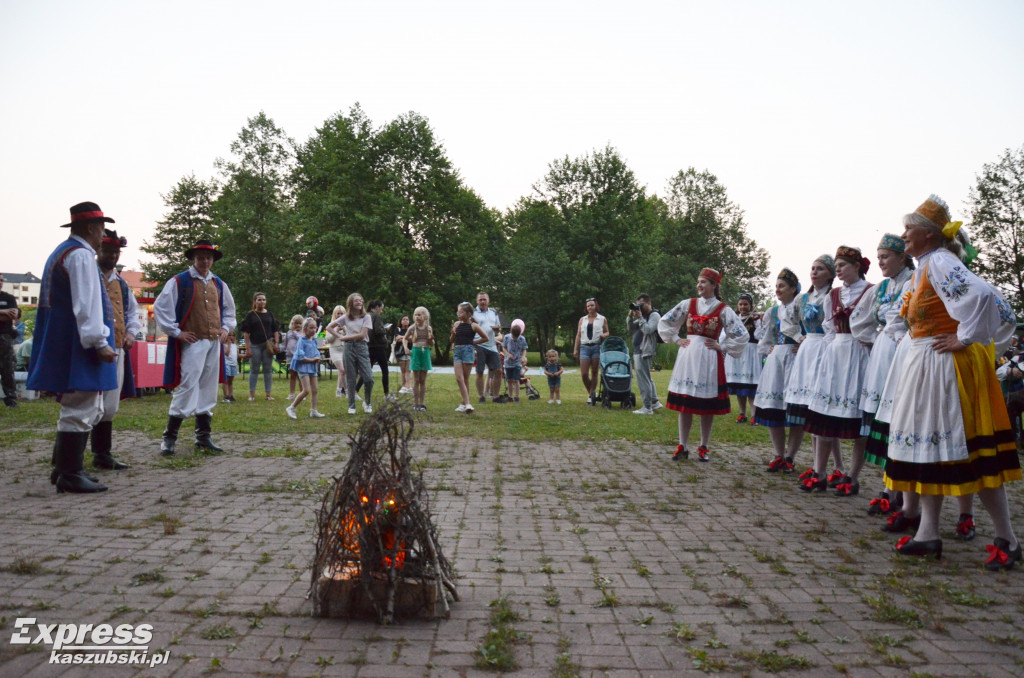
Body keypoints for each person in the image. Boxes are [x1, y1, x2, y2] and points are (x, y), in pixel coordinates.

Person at [882, 195, 1021, 569]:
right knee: (931, 450)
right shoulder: (926, 266)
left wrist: (967, 337)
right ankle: (928, 532)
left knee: (969, 452)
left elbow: (988, 299)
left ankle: (1006, 537)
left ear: (927, 235)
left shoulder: (942, 261)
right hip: (927, 364)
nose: (903, 235)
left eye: (908, 229)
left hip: (945, 367)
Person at [27, 201, 118, 493]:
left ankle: (63, 468)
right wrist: (99, 342)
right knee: (81, 403)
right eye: (102, 229)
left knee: (78, 403)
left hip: (67, 337)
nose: (103, 235)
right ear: (91, 228)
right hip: (79, 342)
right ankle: (70, 473)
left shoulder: (63, 252)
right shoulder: (80, 256)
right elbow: (86, 304)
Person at [801, 246, 874, 494]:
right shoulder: (832, 295)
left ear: (857, 266)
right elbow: (829, 330)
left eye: (842, 265)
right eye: (837, 265)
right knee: (824, 414)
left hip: (859, 355)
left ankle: (852, 477)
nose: (839, 269)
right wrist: (824, 359)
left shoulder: (871, 291)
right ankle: (820, 472)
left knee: (857, 420)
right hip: (835, 355)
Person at [155, 239, 237, 456]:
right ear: (193, 258)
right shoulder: (180, 281)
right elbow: (161, 308)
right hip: (193, 342)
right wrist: (177, 332)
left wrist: (226, 329)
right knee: (187, 384)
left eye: (208, 258)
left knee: (208, 387)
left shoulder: (219, 283)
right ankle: (169, 437)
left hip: (213, 342)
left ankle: (203, 437)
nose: (205, 261)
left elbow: (229, 311)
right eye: (201, 257)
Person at [658, 268, 749, 462]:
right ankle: (682, 445)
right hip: (688, 356)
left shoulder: (723, 309)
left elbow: (742, 334)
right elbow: (666, 321)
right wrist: (675, 338)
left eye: (704, 282)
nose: (699, 285)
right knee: (685, 404)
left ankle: (704, 446)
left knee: (706, 406)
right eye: (698, 281)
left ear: (714, 286)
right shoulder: (688, 304)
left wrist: (722, 345)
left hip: (709, 359)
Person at [855, 235, 914, 513]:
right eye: (878, 257)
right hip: (884, 352)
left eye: (886, 256)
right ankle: (889, 488)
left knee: (901, 420)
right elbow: (859, 319)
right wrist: (873, 338)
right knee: (886, 420)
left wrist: (906, 334)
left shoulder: (915, 280)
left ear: (902, 256)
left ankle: (902, 491)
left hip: (907, 351)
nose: (880, 262)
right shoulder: (880, 288)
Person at [777, 255, 837, 473]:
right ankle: (814, 463)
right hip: (808, 347)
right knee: (807, 409)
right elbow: (786, 320)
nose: (814, 272)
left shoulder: (833, 296)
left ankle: (827, 465)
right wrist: (799, 336)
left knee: (820, 406)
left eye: (820, 269)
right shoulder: (803, 299)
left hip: (826, 347)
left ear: (830, 274)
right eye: (812, 268)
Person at [92, 229, 140, 472]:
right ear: (98, 250)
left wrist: (131, 333)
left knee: (110, 403)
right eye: (107, 250)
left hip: (117, 348)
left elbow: (133, 313)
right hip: (90, 349)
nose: (111, 255)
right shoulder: (89, 276)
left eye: (115, 252)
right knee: (86, 402)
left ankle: (102, 453)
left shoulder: (121, 283)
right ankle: (66, 456)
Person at [753, 269, 803, 469]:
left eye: (782, 286)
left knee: (795, 410)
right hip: (776, 362)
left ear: (793, 288)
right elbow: (765, 339)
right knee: (774, 408)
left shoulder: (801, 307)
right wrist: (769, 350)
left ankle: (790, 457)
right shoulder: (773, 312)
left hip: (796, 359)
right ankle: (779, 454)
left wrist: (803, 345)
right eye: (776, 286)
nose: (777, 290)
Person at [326, 293, 374, 415]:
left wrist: (345, 337)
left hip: (361, 347)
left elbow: (362, 335)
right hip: (348, 348)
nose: (359, 302)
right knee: (351, 378)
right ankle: (351, 405)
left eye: (361, 300)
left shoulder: (366, 317)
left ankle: (367, 402)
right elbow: (329, 327)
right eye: (356, 300)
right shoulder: (346, 317)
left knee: (368, 378)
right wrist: (340, 336)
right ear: (351, 303)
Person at [723, 293, 761, 422]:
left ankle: (754, 415)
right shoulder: (734, 318)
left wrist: (757, 322)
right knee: (739, 384)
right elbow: (727, 334)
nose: (743, 307)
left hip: (750, 352)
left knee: (750, 386)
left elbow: (759, 336)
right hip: (737, 352)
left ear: (751, 305)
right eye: (740, 304)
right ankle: (742, 413)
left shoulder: (756, 319)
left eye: (746, 304)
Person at [241, 292, 280, 401]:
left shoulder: (270, 314)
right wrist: (248, 348)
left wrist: (276, 343)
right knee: (254, 369)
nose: (262, 302)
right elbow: (246, 333)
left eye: (263, 299)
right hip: (255, 345)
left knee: (268, 369)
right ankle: (252, 394)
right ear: (254, 302)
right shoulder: (250, 315)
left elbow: (275, 330)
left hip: (268, 345)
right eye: (259, 300)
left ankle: (268, 394)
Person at [628, 294, 663, 415]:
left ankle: (647, 407)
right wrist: (630, 317)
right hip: (638, 349)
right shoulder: (643, 316)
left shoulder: (654, 315)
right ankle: (654, 402)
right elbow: (631, 328)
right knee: (647, 377)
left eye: (641, 305)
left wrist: (641, 317)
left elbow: (648, 330)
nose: (639, 307)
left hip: (645, 350)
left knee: (643, 379)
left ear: (648, 303)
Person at [452, 302, 489, 413]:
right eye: (458, 312)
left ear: (468, 314)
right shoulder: (457, 324)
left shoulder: (474, 326)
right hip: (457, 350)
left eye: (461, 312)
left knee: (465, 379)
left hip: (468, 351)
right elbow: (451, 340)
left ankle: (465, 404)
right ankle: (467, 403)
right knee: (459, 378)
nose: (458, 314)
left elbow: (485, 338)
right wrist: (453, 334)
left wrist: (473, 342)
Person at [286, 317, 325, 419]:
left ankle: (314, 410)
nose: (313, 330)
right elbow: (300, 357)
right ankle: (292, 407)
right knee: (306, 390)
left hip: (312, 368)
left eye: (315, 328)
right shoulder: (301, 341)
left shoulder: (314, 340)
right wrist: (312, 360)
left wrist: (317, 358)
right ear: (305, 328)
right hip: (303, 367)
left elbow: (317, 351)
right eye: (311, 328)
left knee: (315, 389)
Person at [574, 298, 609, 405]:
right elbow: (578, 335)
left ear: (596, 306)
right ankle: (592, 392)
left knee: (594, 372)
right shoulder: (582, 320)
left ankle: (590, 395)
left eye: (592, 305)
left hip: (596, 347)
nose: (590, 307)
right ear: (586, 308)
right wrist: (575, 349)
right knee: (584, 374)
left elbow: (607, 332)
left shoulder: (602, 319)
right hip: (584, 347)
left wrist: (604, 335)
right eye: (588, 306)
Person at [355, 300, 391, 397]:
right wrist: (385, 329)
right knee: (385, 370)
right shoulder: (376, 316)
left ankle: (356, 390)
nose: (381, 311)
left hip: (368, 345)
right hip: (378, 346)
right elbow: (378, 331)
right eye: (381, 308)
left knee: (366, 370)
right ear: (377, 307)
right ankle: (386, 394)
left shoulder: (365, 316)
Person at [403, 306, 434, 412]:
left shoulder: (428, 328)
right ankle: (415, 404)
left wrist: (431, 340)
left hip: (425, 352)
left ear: (425, 316)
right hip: (416, 352)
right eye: (415, 314)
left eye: (419, 314)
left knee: (423, 380)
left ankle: (421, 403)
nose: (416, 316)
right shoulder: (412, 328)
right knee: (416, 380)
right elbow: (405, 338)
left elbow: (432, 344)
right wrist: (406, 348)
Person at [473, 292, 502, 403]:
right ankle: (481, 396)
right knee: (480, 371)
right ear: (477, 301)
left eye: (484, 299)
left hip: (492, 346)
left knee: (498, 370)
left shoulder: (493, 313)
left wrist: (498, 333)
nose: (482, 302)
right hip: (479, 344)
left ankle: (496, 396)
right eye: (480, 300)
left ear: (488, 301)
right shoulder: (473, 313)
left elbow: (498, 331)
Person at [0, 272, 19, 407]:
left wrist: (6, 314)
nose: (0, 282)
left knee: (7, 368)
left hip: (5, 337)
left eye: (1, 280)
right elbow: (6, 315)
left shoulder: (9, 298)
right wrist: (3, 312)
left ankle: (11, 399)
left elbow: (13, 315)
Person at [322, 307, 347, 399]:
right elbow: (328, 340)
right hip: (335, 350)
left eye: (341, 313)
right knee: (342, 370)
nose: (339, 315)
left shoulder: (347, 325)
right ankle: (346, 391)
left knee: (342, 372)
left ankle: (339, 391)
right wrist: (335, 331)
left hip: (345, 349)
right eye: (338, 313)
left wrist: (344, 329)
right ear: (334, 314)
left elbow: (350, 336)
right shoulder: (330, 325)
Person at [502, 319, 528, 403]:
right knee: (509, 380)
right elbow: (503, 347)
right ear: (511, 332)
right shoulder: (506, 337)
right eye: (514, 336)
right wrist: (508, 354)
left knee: (516, 380)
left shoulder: (522, 339)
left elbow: (524, 349)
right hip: (508, 362)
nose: (515, 338)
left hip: (517, 363)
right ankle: (510, 396)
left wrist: (523, 356)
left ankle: (517, 396)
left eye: (517, 337)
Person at [282, 314, 304, 400]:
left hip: (299, 356)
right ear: (292, 323)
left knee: (300, 375)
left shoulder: (302, 333)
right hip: (290, 356)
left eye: (299, 323)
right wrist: (278, 349)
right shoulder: (288, 332)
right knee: (292, 375)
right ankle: (292, 393)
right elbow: (285, 345)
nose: (298, 325)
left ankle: (302, 393)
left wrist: (295, 332)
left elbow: (301, 339)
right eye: (296, 323)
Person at [394, 315, 412, 394]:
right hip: (400, 352)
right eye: (403, 319)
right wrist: (406, 338)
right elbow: (397, 339)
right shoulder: (398, 329)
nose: (405, 320)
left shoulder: (411, 330)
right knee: (403, 370)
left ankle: (408, 386)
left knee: (408, 370)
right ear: (401, 321)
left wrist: (403, 338)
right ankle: (404, 386)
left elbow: (412, 339)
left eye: (407, 319)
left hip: (410, 351)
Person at [222, 332, 238, 402]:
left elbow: (236, 355)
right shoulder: (224, 345)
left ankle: (231, 395)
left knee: (231, 381)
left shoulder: (235, 345)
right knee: (226, 380)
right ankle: (226, 395)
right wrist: (228, 345)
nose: (231, 337)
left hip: (233, 364)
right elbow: (227, 353)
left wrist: (246, 355)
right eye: (229, 335)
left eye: (233, 335)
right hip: (227, 363)